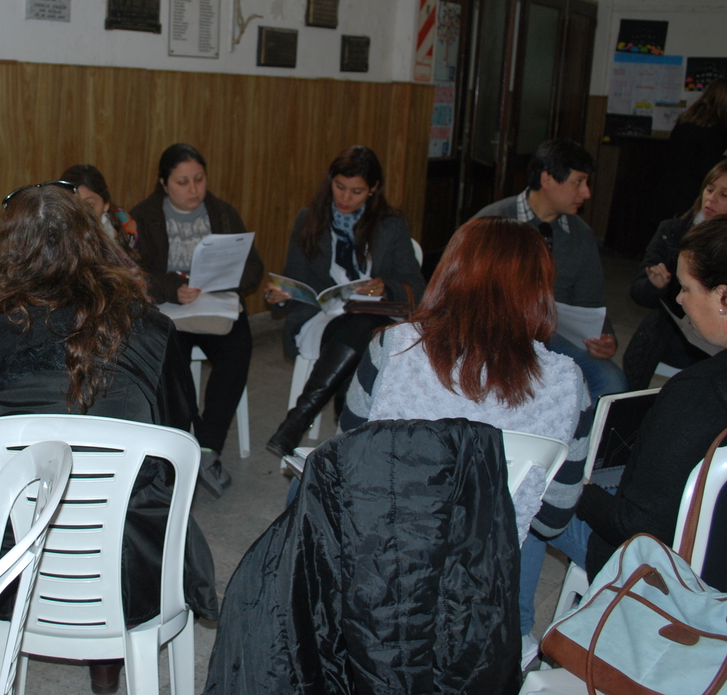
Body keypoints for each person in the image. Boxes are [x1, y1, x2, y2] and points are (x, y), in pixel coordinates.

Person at [0, 182, 217, 695]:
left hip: (8, 562)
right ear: (93, 241)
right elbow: (178, 439)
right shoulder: (150, 330)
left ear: (6, 250)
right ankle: (106, 671)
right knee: (136, 485)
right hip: (128, 566)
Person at [339, 217, 592, 667]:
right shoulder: (568, 385)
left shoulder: (392, 348)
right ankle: (514, 637)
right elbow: (553, 520)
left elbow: (347, 462)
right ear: (539, 290)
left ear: (449, 273)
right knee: (523, 510)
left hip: (384, 567)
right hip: (483, 587)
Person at [556, 215, 727, 590]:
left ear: (726, 298)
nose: (679, 299)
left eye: (686, 288)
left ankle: (523, 622)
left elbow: (635, 528)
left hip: (680, 578)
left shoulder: (701, 392)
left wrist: (580, 487)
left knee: (533, 491)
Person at [263, 146, 426, 456]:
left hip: (376, 315)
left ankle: (298, 420)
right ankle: (346, 434)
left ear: (373, 189)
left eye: (356, 191)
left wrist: (386, 287)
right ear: (331, 181)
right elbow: (293, 277)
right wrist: (279, 296)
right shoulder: (309, 220)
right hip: (323, 316)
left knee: (364, 326)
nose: (345, 197)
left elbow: (417, 287)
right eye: (340, 187)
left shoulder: (390, 224)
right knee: (363, 333)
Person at [130, 144, 264, 498]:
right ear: (164, 184)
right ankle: (189, 440)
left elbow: (253, 267)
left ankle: (207, 445)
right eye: (182, 182)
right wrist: (172, 287)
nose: (194, 189)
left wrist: (223, 279)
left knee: (237, 348)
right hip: (170, 311)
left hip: (216, 305)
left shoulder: (222, 213)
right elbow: (133, 272)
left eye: (199, 179)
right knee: (171, 360)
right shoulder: (143, 216)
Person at [474, 138, 628, 406]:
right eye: (578, 182)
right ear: (547, 179)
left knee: (612, 383)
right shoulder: (492, 222)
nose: (586, 193)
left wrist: (605, 337)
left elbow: (591, 300)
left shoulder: (581, 235)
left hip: (555, 336)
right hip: (496, 333)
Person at [623, 160, 727, 390]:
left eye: (725, 194)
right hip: (663, 344)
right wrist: (656, 285)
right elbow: (638, 293)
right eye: (709, 189)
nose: (712, 198)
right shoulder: (671, 230)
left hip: (718, 352)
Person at [648, 78, 727, 225]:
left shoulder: (687, 118)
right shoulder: (716, 127)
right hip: (692, 192)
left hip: (670, 185)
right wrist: (726, 155)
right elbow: (709, 167)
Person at [61, 163, 138, 255]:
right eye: (73, 204)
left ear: (106, 204)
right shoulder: (53, 232)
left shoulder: (125, 230)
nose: (81, 212)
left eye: (89, 206)